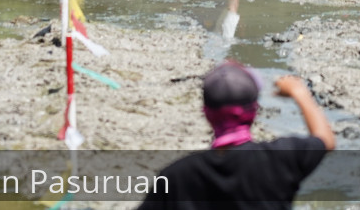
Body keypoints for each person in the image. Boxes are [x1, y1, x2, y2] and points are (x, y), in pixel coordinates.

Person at [137, 61, 335, 209]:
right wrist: (299, 92)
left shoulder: (176, 176)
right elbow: (325, 140)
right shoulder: (279, 159)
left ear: (206, 113)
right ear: (255, 110)